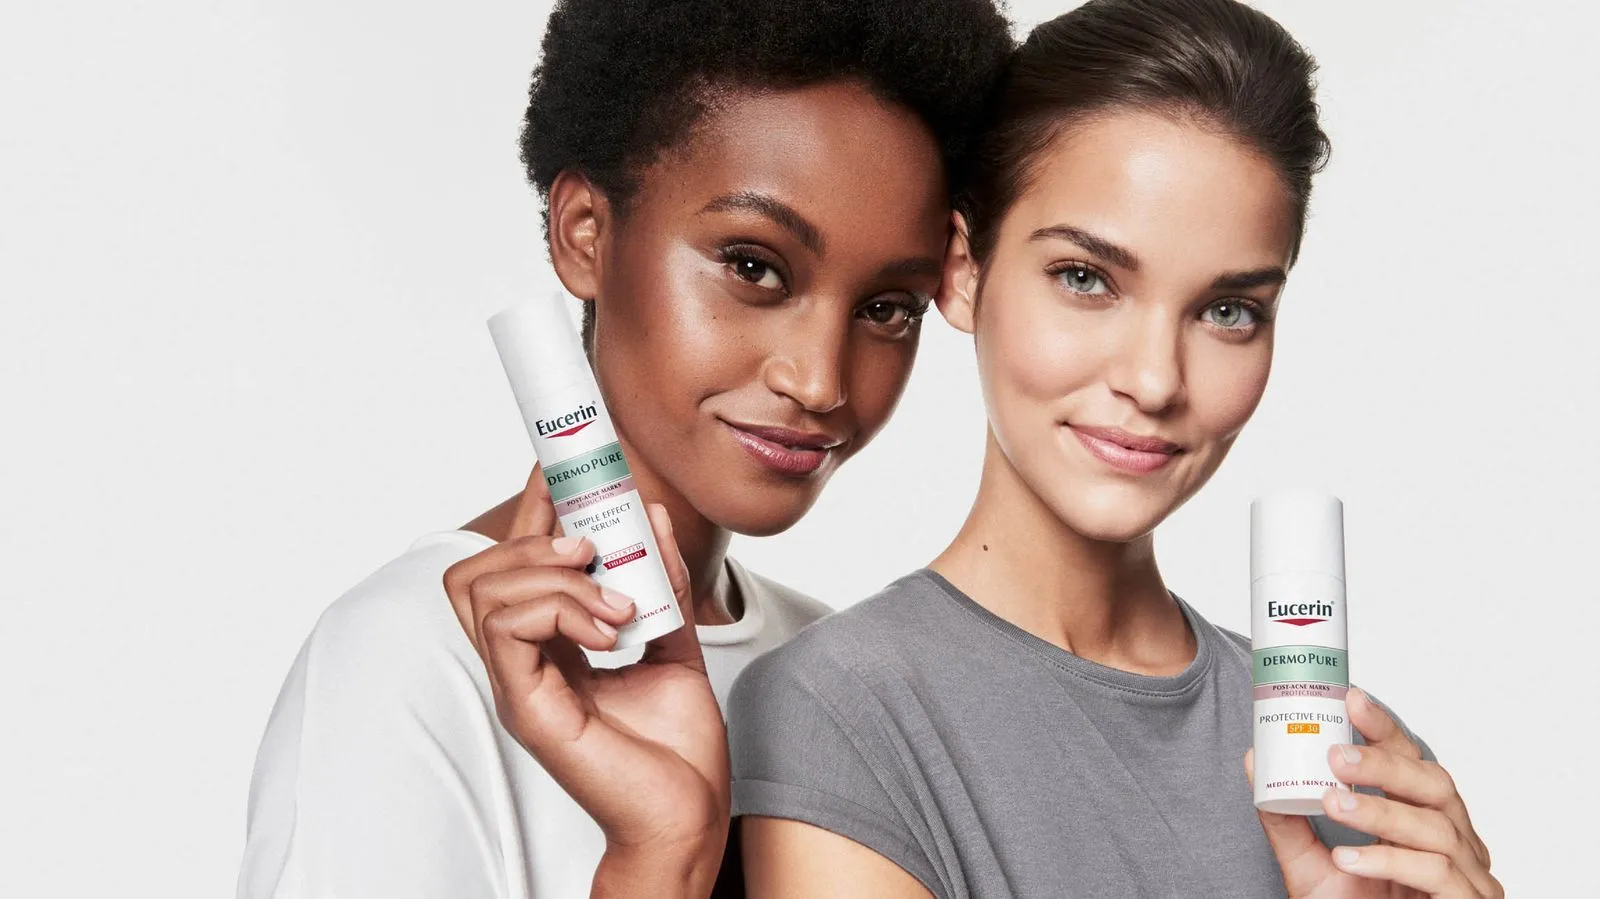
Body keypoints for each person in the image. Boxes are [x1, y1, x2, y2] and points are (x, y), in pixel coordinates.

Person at [236, 1, 1012, 896]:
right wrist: (657, 855)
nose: (819, 379)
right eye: (753, 267)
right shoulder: (412, 659)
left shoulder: (836, 671)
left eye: (887, 308)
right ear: (585, 233)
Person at [727, 1, 1502, 897]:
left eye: (1228, 310)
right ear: (964, 270)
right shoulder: (840, 711)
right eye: (1086, 278)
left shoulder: (1352, 763)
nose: (1155, 379)